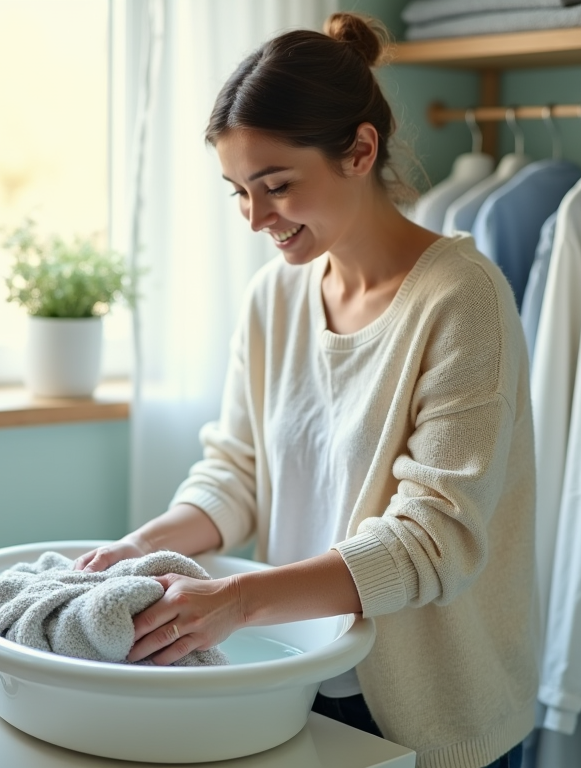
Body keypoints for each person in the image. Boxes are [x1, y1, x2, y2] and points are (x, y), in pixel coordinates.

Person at [74, 12, 537, 768]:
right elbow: (238, 473)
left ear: (360, 150)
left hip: (433, 713)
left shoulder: (463, 299)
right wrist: (140, 546)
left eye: (277, 186)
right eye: (237, 193)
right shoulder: (273, 298)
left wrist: (238, 600)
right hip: (298, 672)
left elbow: (436, 538)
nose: (256, 218)